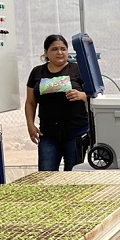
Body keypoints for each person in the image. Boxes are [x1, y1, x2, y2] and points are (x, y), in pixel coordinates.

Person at [25, 34, 89, 171]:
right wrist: (30, 125)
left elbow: (94, 95)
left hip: (75, 131)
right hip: (48, 133)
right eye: (54, 49)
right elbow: (30, 102)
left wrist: (81, 95)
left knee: (73, 174)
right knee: (46, 174)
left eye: (63, 49)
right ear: (46, 52)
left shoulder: (79, 70)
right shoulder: (37, 72)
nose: (59, 52)